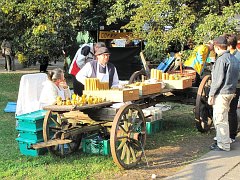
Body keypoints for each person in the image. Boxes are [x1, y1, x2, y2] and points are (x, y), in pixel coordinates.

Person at [208, 35, 239, 151]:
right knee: (224, 118)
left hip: (222, 93)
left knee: (220, 119)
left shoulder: (221, 60)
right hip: (231, 91)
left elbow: (217, 80)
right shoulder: (234, 58)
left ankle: (223, 145)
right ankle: (224, 141)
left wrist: (211, 95)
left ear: (217, 47)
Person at [226, 34, 240, 142]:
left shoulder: (237, 57)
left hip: (235, 86)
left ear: (230, 45)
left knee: (232, 110)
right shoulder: (228, 55)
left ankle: (232, 135)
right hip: (229, 86)